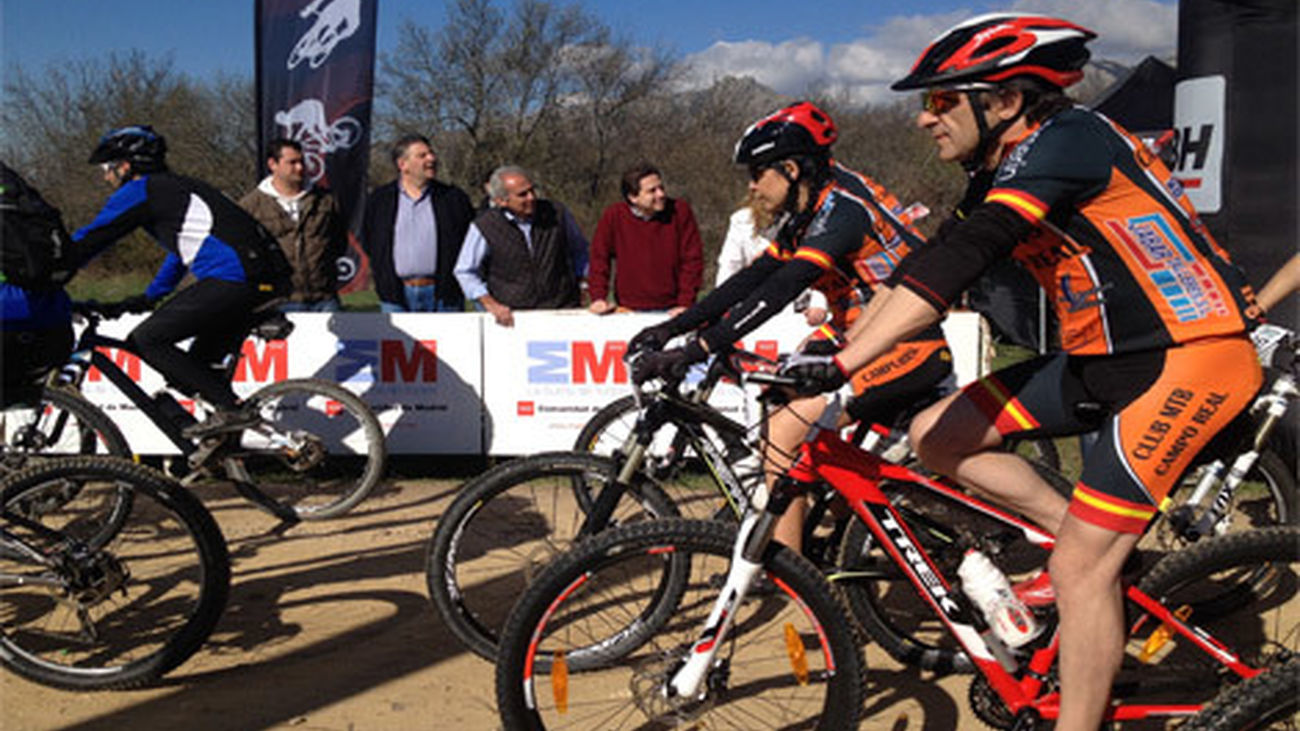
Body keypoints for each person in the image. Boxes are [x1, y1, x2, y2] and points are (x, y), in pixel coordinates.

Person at [781, 16, 1263, 730]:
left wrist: (843, 364)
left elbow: (969, 254)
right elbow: (923, 262)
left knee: (1077, 569)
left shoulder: (1067, 139)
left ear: (1004, 100)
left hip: (1191, 357)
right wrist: (830, 350)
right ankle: (1092, 549)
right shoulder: (1003, 165)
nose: (923, 118)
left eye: (942, 100)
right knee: (938, 434)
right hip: (1101, 360)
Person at [627, 101, 952, 552]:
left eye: (757, 173)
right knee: (777, 395)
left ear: (792, 169)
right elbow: (753, 277)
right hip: (862, 335)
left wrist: (697, 348)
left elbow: (781, 289)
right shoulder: (812, 207)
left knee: (782, 433)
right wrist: (674, 328)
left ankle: (788, 571)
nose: (751, 185)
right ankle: (847, 516)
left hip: (904, 343)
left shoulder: (841, 212)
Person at [72, 125, 292, 437]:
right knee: (195, 373)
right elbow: (181, 253)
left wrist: (48, 269)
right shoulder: (179, 187)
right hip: (264, 278)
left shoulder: (143, 190)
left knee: (147, 340)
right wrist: (151, 296)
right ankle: (222, 444)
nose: (106, 177)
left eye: (108, 168)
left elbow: (91, 239)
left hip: (236, 278)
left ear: (126, 166)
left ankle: (231, 410)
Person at [453, 166, 589, 327]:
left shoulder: (557, 213)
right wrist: (489, 303)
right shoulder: (484, 226)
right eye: (522, 194)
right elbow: (465, 271)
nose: (531, 197)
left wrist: (583, 283)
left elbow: (580, 251)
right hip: (513, 320)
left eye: (532, 190)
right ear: (501, 200)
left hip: (561, 311)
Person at [360, 135, 474, 313]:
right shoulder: (379, 200)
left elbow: (470, 243)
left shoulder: (453, 198)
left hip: (445, 295)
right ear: (402, 164)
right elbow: (369, 241)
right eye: (422, 156)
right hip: (396, 295)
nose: (431, 159)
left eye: (431, 153)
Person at [239, 138, 348, 312]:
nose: (300, 167)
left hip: (325, 298)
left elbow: (339, 241)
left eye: (302, 161)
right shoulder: (251, 206)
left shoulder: (325, 200)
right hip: (279, 300)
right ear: (273, 164)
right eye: (292, 162)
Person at [588, 163, 703, 316]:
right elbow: (599, 258)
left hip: (672, 309)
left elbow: (692, 260)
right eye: (652, 191)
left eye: (661, 188)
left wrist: (686, 303)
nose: (660, 194)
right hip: (627, 309)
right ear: (633, 197)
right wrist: (598, 297)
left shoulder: (679, 212)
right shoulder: (614, 216)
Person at [716, 199, 828, 326]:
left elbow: (821, 266)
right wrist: (719, 307)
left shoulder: (814, 218)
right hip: (753, 306)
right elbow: (729, 265)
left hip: (799, 310)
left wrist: (819, 302)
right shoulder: (741, 220)